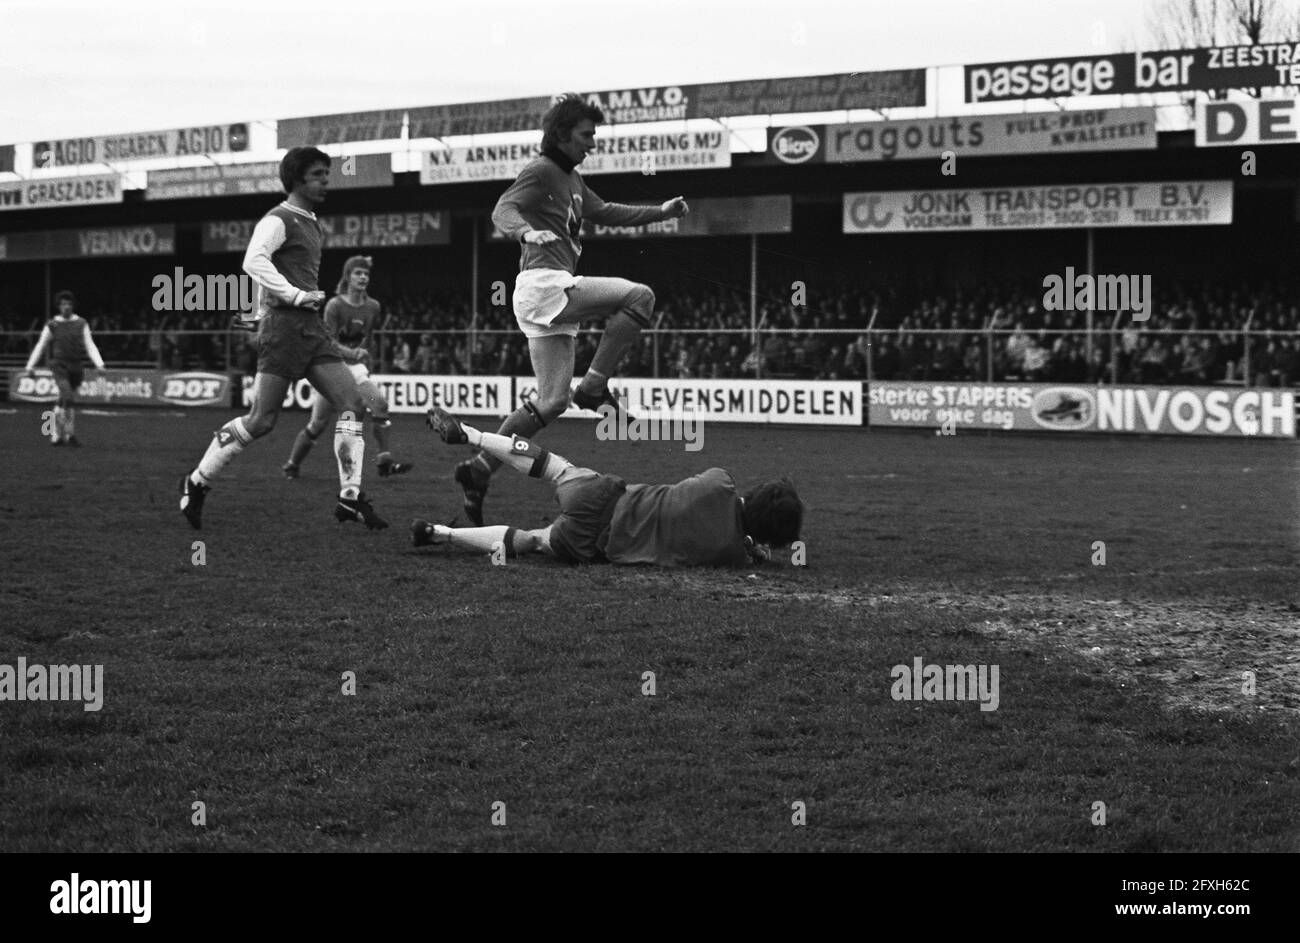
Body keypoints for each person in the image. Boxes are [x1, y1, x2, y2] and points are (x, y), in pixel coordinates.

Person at [451, 93, 690, 526]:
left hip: (541, 293)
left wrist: (661, 211)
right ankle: (595, 388)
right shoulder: (542, 170)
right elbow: (502, 208)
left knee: (551, 401)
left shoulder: (573, 180)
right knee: (640, 297)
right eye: (586, 135)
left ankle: (479, 470)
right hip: (545, 285)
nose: (592, 143)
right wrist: (525, 233)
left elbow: (606, 212)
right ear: (561, 135)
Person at [178, 147, 387, 530]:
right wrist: (290, 297)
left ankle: (350, 498)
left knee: (354, 404)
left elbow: (271, 270)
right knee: (262, 421)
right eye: (319, 174)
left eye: (327, 173)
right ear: (297, 180)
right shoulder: (279, 218)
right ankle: (197, 482)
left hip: (312, 331)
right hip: (287, 330)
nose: (327, 180)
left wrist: (272, 305)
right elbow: (253, 260)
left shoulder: (310, 220)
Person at [418, 407, 803, 567]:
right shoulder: (733, 555)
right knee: (533, 540)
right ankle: (442, 534)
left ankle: (470, 433)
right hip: (596, 545)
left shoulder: (720, 482)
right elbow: (740, 544)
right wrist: (751, 545)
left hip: (605, 497)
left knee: (554, 466)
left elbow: (700, 490)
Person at [282, 255, 413, 480]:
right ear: (348, 277)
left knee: (379, 404)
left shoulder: (373, 307)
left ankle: (384, 459)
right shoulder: (334, 305)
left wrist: (362, 355)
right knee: (318, 424)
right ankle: (292, 464)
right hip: (330, 366)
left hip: (355, 368)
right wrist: (353, 353)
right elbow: (328, 341)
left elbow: (367, 337)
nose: (363, 277)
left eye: (366, 274)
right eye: (358, 273)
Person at [24, 290, 105, 446]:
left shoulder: (81, 323)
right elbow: (41, 345)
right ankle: (62, 435)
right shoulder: (53, 325)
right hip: (59, 365)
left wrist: (99, 363)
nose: (66, 307)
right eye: (63, 304)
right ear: (58, 306)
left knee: (65, 400)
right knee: (66, 396)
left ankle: (64, 435)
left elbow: (90, 345)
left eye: (69, 304)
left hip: (76, 366)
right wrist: (30, 366)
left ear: (73, 306)